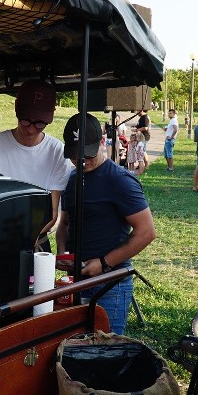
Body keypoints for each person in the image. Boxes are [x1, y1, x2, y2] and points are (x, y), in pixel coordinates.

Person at [55, 113, 156, 335]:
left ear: (102, 142)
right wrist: (63, 253)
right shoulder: (71, 179)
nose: (82, 161)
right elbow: (64, 223)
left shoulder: (119, 180)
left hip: (110, 284)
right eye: (75, 156)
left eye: (88, 155)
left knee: (106, 349)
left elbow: (147, 232)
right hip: (75, 280)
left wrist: (103, 263)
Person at [0, 80, 73, 245]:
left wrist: (23, 239)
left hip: (36, 240)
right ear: (16, 108)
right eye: (25, 120)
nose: (31, 129)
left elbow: (52, 215)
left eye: (39, 123)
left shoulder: (57, 152)